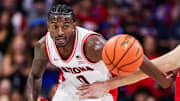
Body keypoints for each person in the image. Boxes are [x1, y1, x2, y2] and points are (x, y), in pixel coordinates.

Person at [26, 2, 174, 101]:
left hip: (101, 91)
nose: (59, 32)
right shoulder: (43, 45)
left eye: (65, 27)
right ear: (48, 26)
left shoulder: (92, 45)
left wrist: (163, 81)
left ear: (74, 25)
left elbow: (134, 56)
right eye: (54, 26)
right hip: (69, 89)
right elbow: (34, 75)